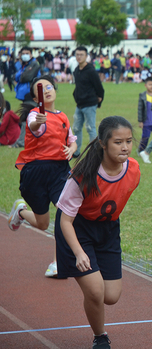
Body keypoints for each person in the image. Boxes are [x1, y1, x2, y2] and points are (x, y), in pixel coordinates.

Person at [54, 116, 140, 349]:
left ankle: (93, 291)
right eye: (118, 142)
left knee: (110, 296)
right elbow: (65, 220)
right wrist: (79, 253)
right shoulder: (82, 175)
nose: (125, 147)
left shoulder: (133, 169)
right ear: (103, 143)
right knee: (94, 290)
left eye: (129, 141)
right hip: (77, 229)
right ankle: (100, 337)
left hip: (108, 230)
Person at [8, 75, 77, 277]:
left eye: (48, 86)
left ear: (55, 90)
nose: (46, 90)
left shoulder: (63, 116)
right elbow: (34, 127)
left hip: (60, 171)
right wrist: (38, 122)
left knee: (65, 214)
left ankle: (57, 263)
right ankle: (20, 212)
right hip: (35, 172)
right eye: (40, 88)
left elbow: (72, 140)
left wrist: (71, 150)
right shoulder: (34, 114)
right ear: (36, 95)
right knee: (43, 224)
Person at [72, 46, 104, 159]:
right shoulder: (76, 70)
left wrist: (99, 100)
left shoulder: (91, 71)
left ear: (86, 56)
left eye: (81, 55)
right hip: (79, 104)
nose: (79, 57)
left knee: (90, 128)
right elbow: (78, 87)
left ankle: (95, 152)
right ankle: (76, 151)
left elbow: (99, 87)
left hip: (90, 104)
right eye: (77, 54)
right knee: (76, 128)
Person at [137, 76, 152, 157]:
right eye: (150, 84)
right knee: (145, 137)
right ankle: (141, 150)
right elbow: (140, 109)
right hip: (146, 122)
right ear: (145, 85)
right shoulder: (143, 96)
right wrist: (140, 121)